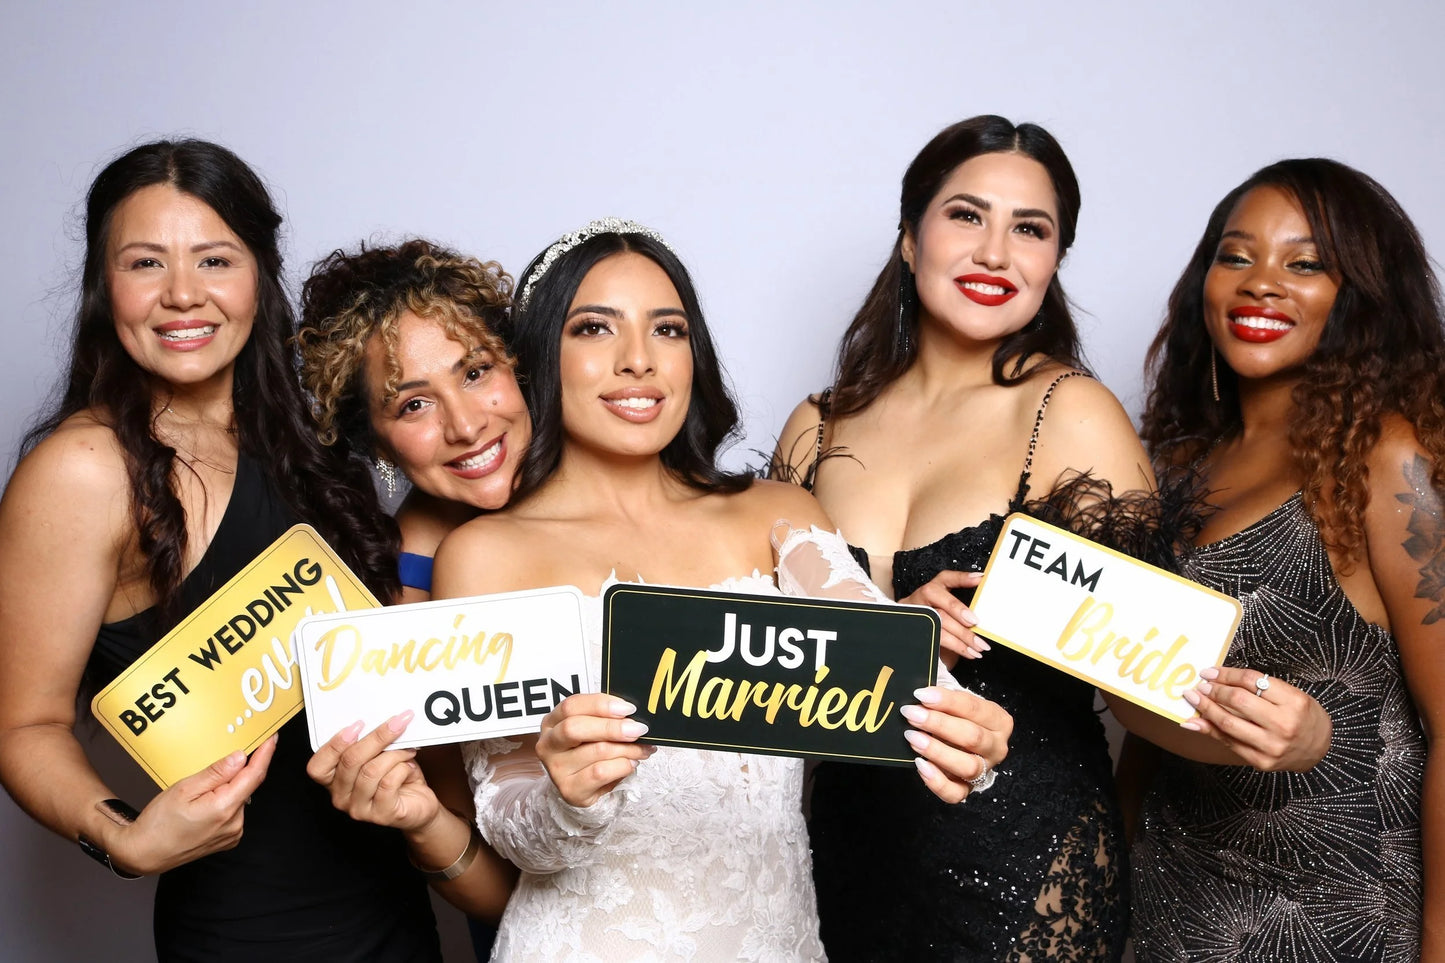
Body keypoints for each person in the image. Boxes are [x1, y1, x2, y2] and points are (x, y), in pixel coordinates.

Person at [431, 219, 1014, 961]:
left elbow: (891, 664)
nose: (638, 360)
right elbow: (507, 818)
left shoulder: (779, 515)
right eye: (594, 329)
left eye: (666, 329)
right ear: (544, 354)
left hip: (772, 938)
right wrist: (563, 795)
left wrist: (964, 732)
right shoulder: (484, 555)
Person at [0, 140, 441, 959]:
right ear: (105, 286)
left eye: (213, 258)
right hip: (251, 932)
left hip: (396, 909)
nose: (181, 294)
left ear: (258, 275)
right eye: (144, 263)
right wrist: (121, 838)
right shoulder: (84, 471)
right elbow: (24, 725)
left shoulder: (305, 435)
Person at [1129, 158, 1444, 962]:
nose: (1260, 283)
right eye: (1235, 256)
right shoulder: (1174, 463)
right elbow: (1145, 688)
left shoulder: (1382, 456)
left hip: (1337, 910)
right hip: (1173, 898)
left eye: (1304, 264)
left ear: (1361, 296)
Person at [294, 239, 524, 953]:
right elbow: (490, 885)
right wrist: (419, 819)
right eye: (414, 402)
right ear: (380, 443)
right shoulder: (406, 602)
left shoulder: (628, 482)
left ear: (521, 366)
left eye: (476, 372)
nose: (464, 424)